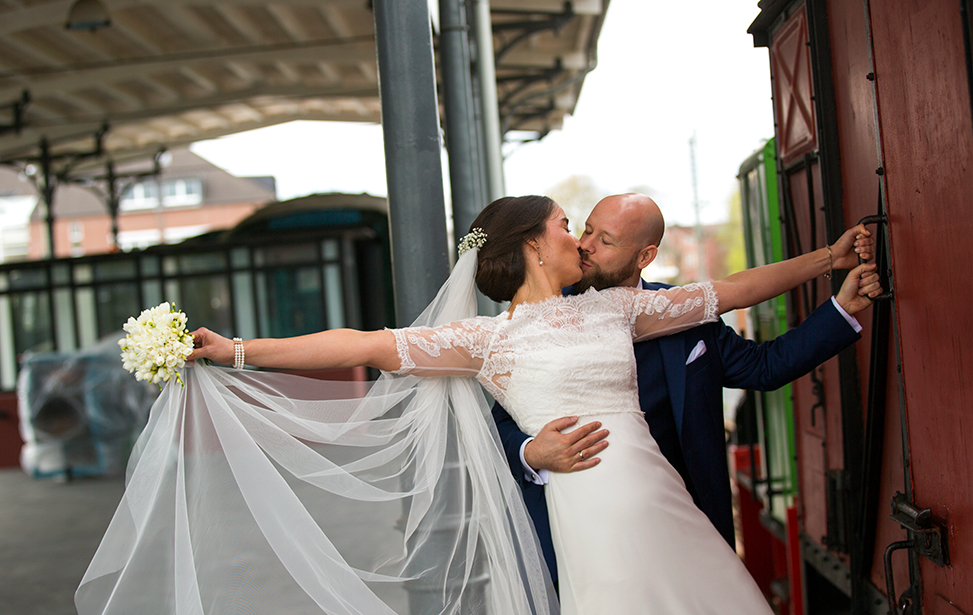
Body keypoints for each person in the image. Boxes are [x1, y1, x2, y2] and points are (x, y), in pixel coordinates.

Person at [78, 195, 881, 615]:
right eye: (569, 226)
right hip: (587, 508)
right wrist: (238, 351)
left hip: (663, 498)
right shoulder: (482, 340)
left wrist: (825, 260)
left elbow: (729, 291)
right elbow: (359, 341)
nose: (580, 239)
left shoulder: (619, 307)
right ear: (533, 242)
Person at [492, 193, 871, 583]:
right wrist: (531, 451)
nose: (585, 246)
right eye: (586, 230)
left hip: (685, 514)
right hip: (584, 526)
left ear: (644, 256)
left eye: (605, 241)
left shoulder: (680, 308)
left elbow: (764, 367)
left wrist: (840, 309)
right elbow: (501, 421)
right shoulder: (540, 318)